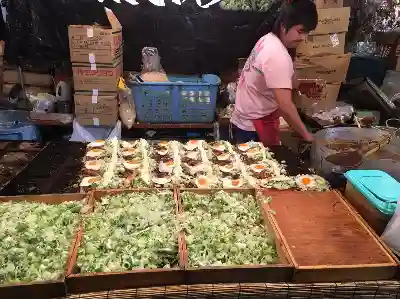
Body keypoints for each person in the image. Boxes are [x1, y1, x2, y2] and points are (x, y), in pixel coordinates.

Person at [231, 0, 318, 146]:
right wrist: (307, 135)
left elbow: (277, 78)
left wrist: (299, 85)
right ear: (284, 26)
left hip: (247, 118)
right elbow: (285, 106)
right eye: (300, 31)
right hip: (254, 126)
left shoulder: (269, 39)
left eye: (307, 33)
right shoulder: (277, 55)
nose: (304, 38)